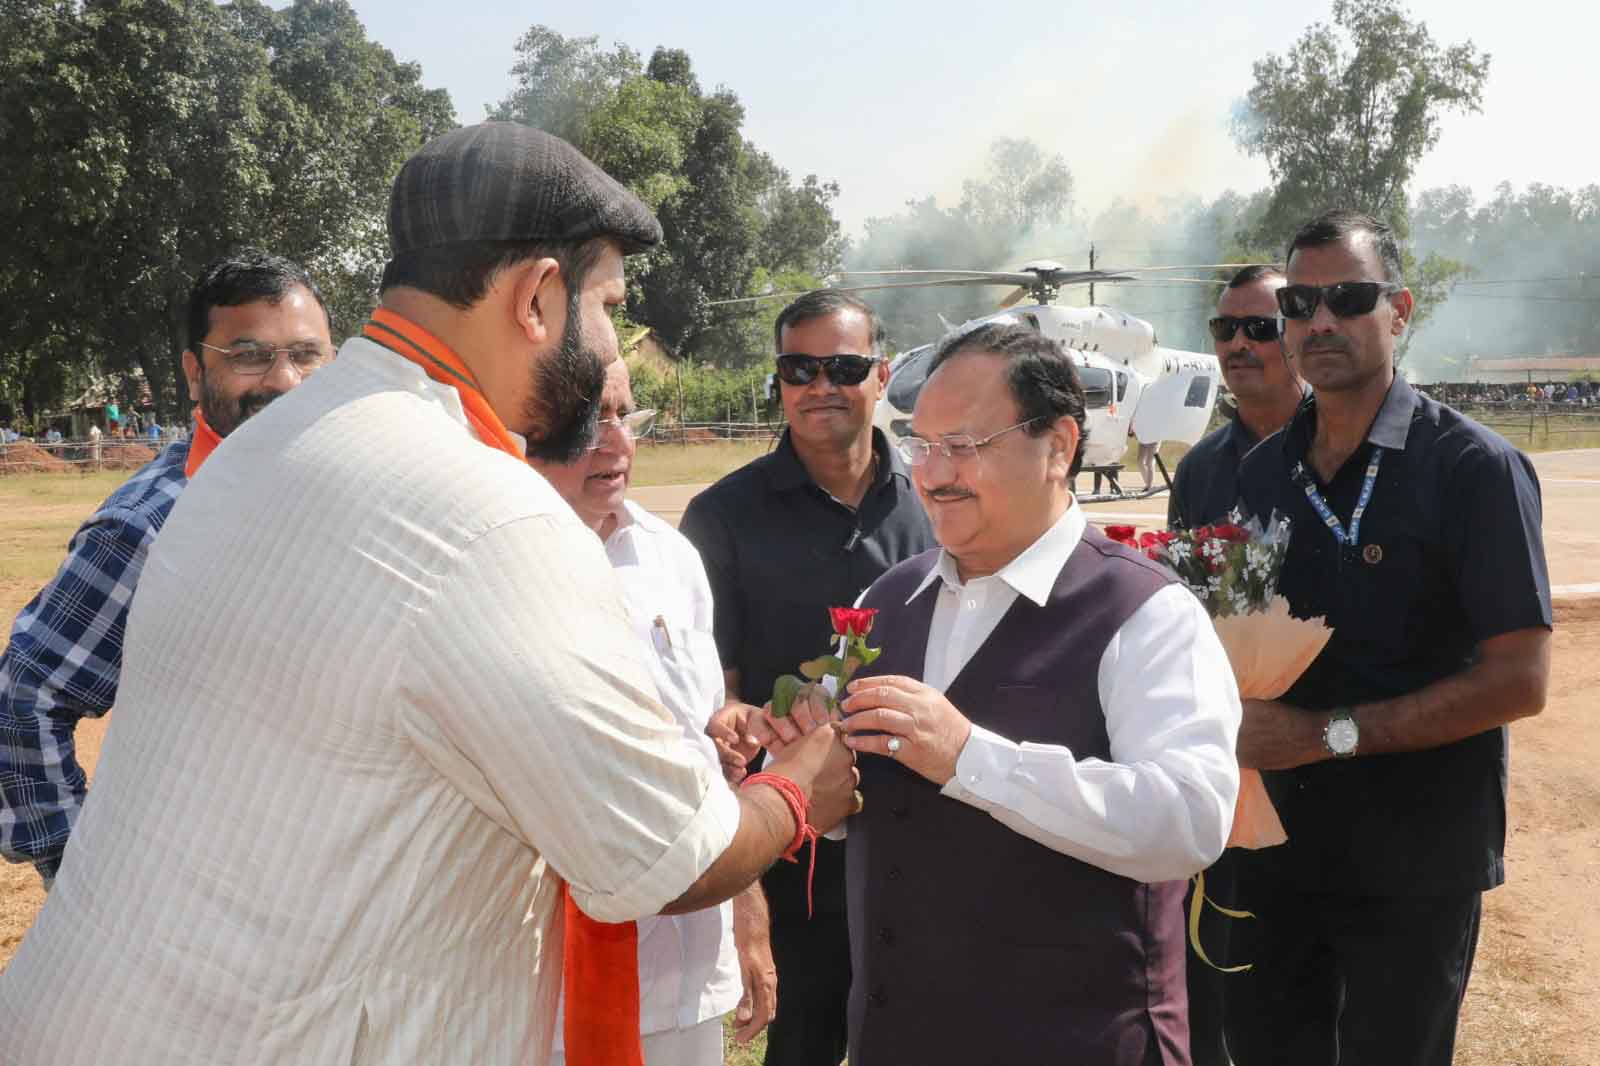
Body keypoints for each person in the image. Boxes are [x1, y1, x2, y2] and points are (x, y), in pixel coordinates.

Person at [0, 123, 859, 1066]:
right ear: (538, 296)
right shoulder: (488, 513)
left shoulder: (256, 453)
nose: (611, 338)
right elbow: (662, 856)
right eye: (608, 302)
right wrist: (795, 790)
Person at [762, 321, 1242, 1064]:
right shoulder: (885, 601)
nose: (933, 473)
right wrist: (814, 789)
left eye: (967, 446)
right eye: (922, 444)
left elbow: (1189, 820)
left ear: (1059, 445)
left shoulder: (1145, 611)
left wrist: (970, 757)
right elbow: (864, 809)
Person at [1230, 210, 1551, 1066]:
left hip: (1417, 862)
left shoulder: (1474, 468)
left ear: (1400, 309)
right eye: (1299, 303)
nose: (1320, 321)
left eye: (1349, 297)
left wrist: (1322, 735)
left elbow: (1519, 680)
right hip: (1277, 850)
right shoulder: (1260, 474)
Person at [0, 249, 333, 888]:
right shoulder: (154, 525)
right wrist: (81, 877)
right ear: (194, 370)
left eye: (305, 354)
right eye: (249, 355)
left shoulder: (339, 493)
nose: (285, 380)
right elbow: (24, 696)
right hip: (203, 906)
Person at [680, 289, 935, 1066]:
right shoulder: (721, 516)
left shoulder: (936, 505)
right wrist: (744, 718)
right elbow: (708, 691)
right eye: (799, 368)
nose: (820, 385)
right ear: (779, 381)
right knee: (805, 1039)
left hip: (924, 822)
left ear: (882, 374)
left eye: (843, 366)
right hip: (797, 845)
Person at [528, 358, 767, 1064]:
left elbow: (705, 748)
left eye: (624, 415)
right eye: (587, 421)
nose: (616, 443)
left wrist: (747, 912)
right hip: (542, 982)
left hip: (681, 971)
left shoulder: (669, 557)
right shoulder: (497, 566)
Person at [1166, 264, 1302, 1066]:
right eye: (1227, 329)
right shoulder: (1201, 468)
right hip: (1229, 752)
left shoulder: (1339, 448)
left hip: (1326, 747)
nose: (1242, 345)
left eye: (1263, 326)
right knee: (1217, 980)